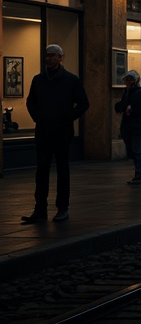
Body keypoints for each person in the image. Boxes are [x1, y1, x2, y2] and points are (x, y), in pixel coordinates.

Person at [21, 44, 90, 223]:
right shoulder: (38, 80)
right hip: (43, 131)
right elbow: (30, 102)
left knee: (62, 170)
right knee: (41, 170)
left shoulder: (71, 80)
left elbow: (84, 103)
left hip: (62, 131)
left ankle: (62, 208)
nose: (49, 59)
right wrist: (38, 117)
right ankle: (40, 209)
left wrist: (68, 117)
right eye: (47, 56)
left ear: (60, 58)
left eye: (53, 56)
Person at [114, 69, 141, 184]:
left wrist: (132, 110)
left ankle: (139, 174)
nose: (127, 82)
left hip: (136, 126)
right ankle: (138, 172)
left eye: (130, 79)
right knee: (132, 149)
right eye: (126, 79)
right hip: (127, 125)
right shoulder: (127, 92)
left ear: (135, 81)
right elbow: (122, 105)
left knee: (137, 150)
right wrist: (121, 107)